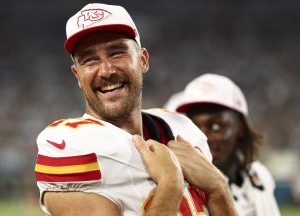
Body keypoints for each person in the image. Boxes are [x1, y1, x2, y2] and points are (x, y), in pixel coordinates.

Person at [34, 3, 237, 216]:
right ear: (77, 75)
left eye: (116, 53)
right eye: (90, 60)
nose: (106, 70)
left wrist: (218, 188)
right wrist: (170, 184)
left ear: (143, 60)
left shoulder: (185, 130)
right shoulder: (69, 146)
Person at [169, 73, 281, 216]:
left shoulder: (259, 174)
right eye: (193, 126)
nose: (202, 137)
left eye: (215, 126)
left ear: (240, 127)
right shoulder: (182, 190)